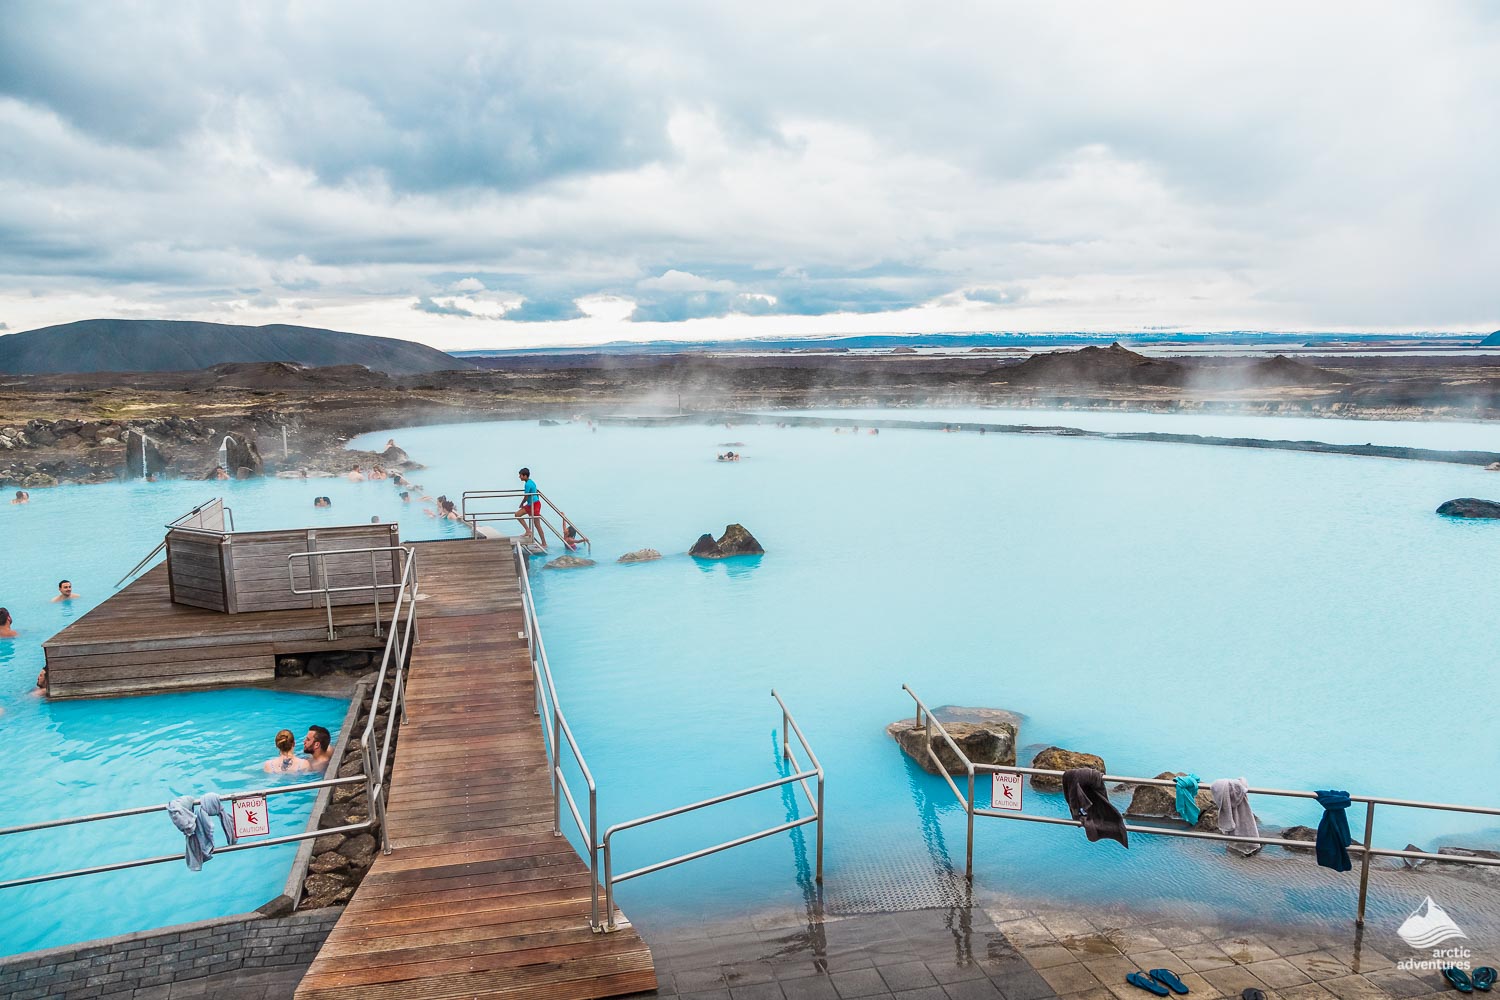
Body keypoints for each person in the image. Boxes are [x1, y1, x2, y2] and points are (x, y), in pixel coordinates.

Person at [517, 468, 545, 546]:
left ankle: (544, 543)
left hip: (534, 504)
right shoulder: (530, 482)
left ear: (525, 476)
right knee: (517, 515)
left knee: (537, 525)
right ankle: (528, 530)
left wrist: (521, 504)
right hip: (531, 504)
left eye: (521, 475)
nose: (519, 477)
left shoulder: (528, 484)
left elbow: (526, 497)